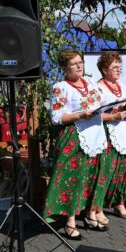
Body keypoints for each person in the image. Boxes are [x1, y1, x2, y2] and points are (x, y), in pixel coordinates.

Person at [43, 49, 107, 240]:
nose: (79, 66)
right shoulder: (60, 87)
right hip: (75, 135)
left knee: (91, 176)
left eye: (81, 62)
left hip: (95, 133)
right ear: (64, 67)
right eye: (74, 64)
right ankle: (69, 221)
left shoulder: (89, 82)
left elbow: (100, 103)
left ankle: (89, 214)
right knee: (74, 177)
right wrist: (81, 114)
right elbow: (57, 117)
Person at [93, 51, 126, 222]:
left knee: (122, 170)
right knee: (106, 170)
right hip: (107, 132)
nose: (118, 70)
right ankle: (98, 207)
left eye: (119, 67)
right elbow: (94, 114)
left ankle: (119, 202)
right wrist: (113, 116)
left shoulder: (122, 86)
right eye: (114, 67)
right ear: (104, 70)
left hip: (124, 130)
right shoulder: (98, 88)